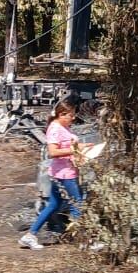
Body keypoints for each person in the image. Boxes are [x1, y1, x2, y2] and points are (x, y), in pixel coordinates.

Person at [21, 101, 85, 250]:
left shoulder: (62, 127)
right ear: (61, 114)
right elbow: (53, 152)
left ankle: (29, 236)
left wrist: (80, 150)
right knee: (77, 204)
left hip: (62, 171)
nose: (73, 118)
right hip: (64, 173)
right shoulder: (55, 129)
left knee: (53, 205)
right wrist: (75, 150)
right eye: (71, 115)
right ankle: (83, 241)